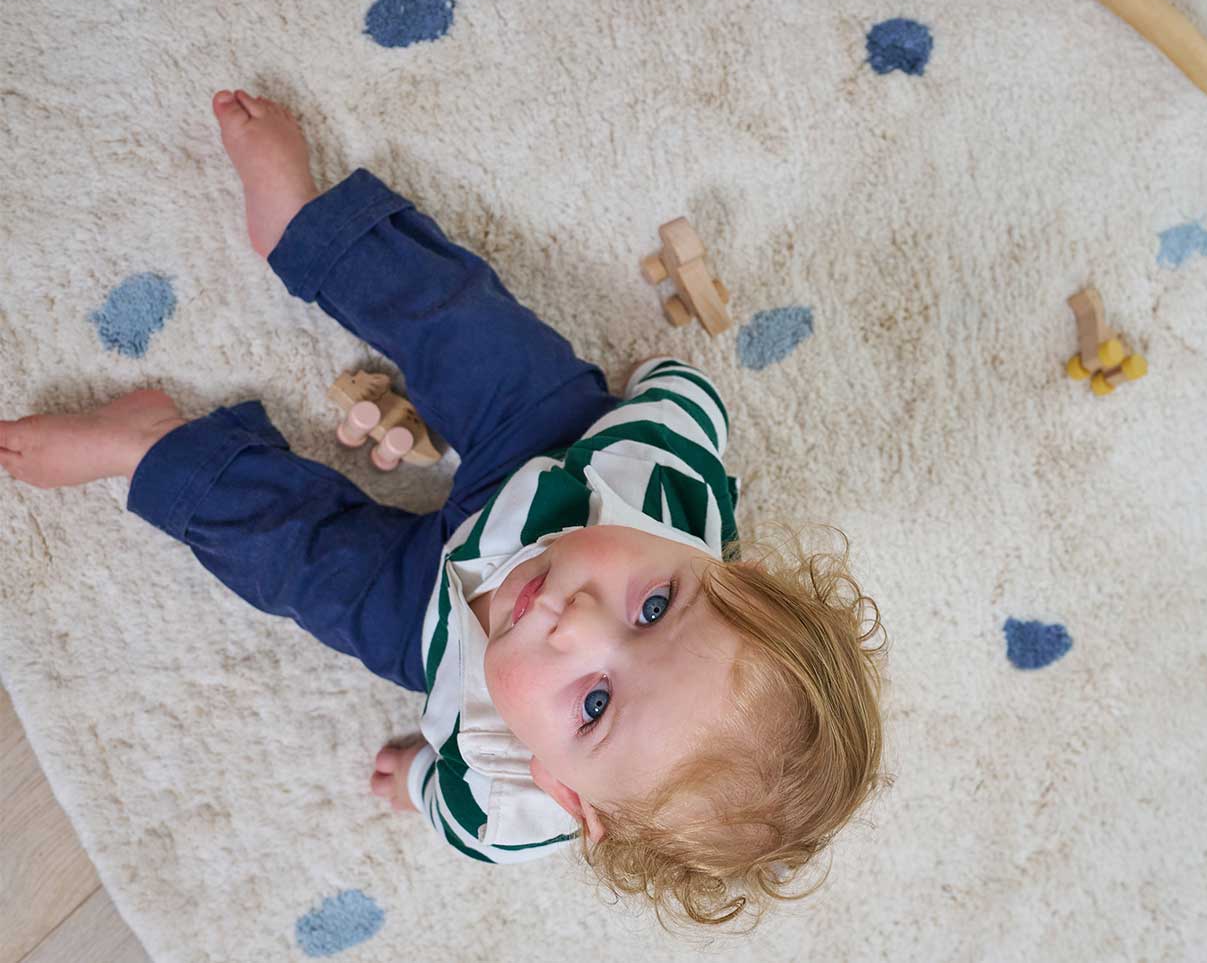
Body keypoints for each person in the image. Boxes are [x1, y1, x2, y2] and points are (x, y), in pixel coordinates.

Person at [0, 90, 888, 929]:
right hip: (547, 453)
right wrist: (664, 380)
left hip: (434, 620)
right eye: (654, 606)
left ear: (567, 793)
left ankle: (150, 446)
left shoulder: (504, 801)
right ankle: (311, 228)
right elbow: (688, 401)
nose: (577, 624)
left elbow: (450, 808)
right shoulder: (665, 480)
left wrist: (421, 777)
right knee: (463, 321)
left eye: (593, 705)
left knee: (292, 560)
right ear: (727, 565)